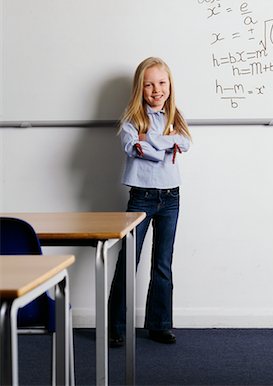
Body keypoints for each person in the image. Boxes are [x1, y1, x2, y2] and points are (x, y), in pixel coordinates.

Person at [109, 56, 191, 346]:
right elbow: (134, 147)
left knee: (163, 263)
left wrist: (153, 140)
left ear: (170, 85)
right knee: (129, 260)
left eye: (162, 83)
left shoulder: (174, 115)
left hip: (171, 196)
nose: (157, 90)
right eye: (149, 85)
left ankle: (159, 324)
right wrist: (164, 144)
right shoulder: (132, 120)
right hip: (142, 196)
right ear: (139, 89)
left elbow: (185, 143)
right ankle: (116, 327)